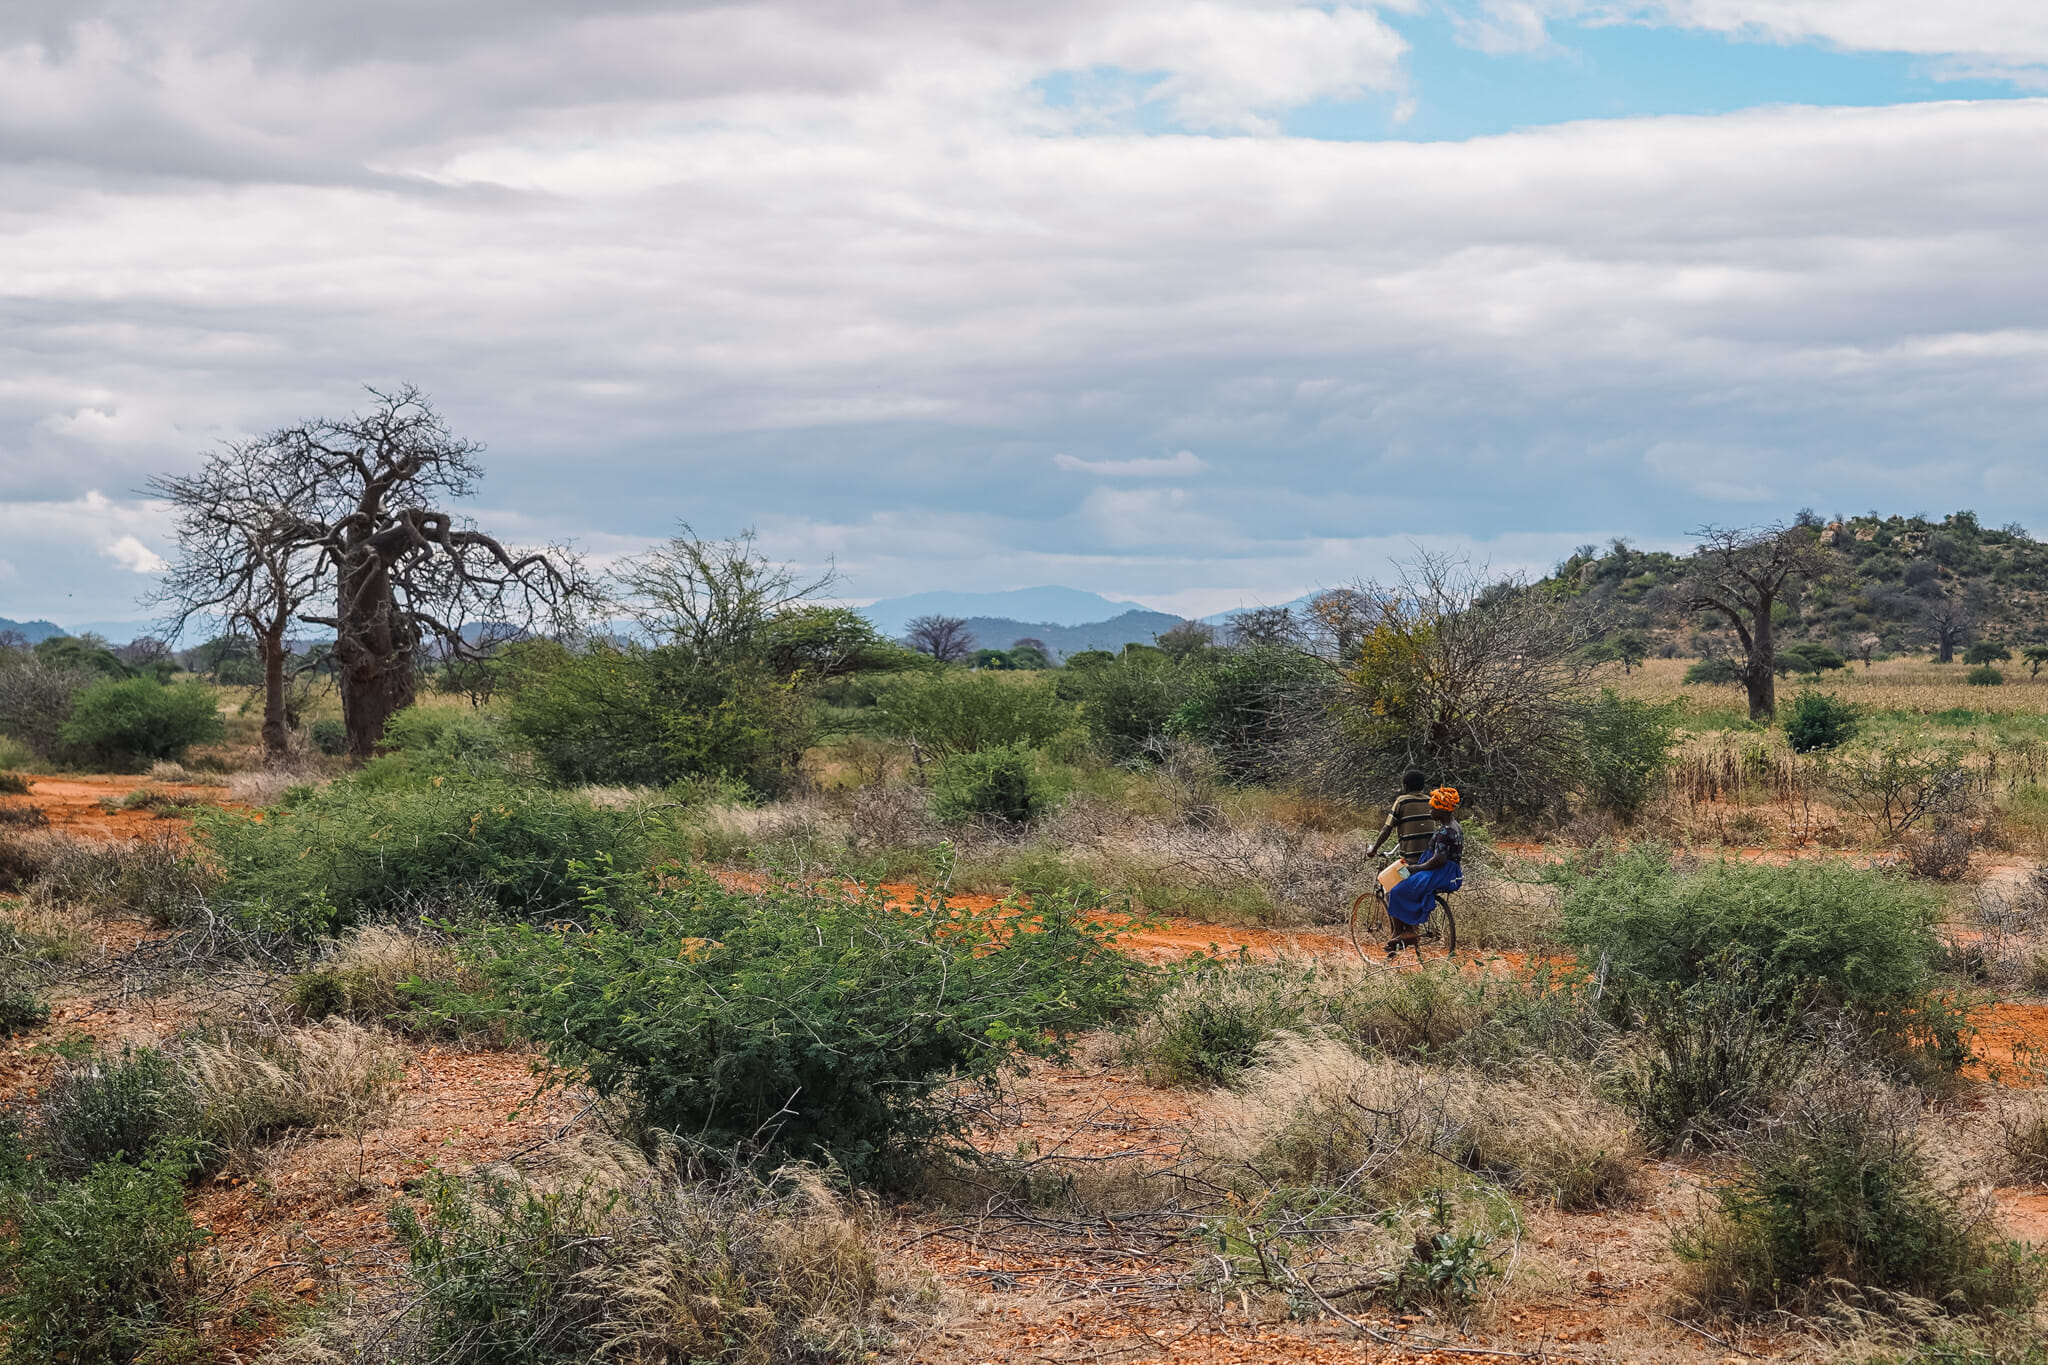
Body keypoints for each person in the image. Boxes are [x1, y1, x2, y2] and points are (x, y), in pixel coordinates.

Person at [1384, 786, 1462, 957]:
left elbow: (1439, 859)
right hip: (1450, 871)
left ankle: (1403, 932)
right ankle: (1407, 930)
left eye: (1433, 808)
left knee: (1395, 891)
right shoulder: (1455, 827)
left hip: (1439, 871)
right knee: (1409, 886)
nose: (1430, 811)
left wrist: (1417, 867)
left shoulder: (1444, 832)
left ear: (1442, 810)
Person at [1367, 769, 1437, 893]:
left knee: (1390, 887)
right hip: (1429, 859)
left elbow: (1386, 829)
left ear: (1405, 786)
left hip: (1409, 862)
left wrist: (1374, 850)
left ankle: (1394, 911)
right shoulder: (1430, 801)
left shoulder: (1402, 801)